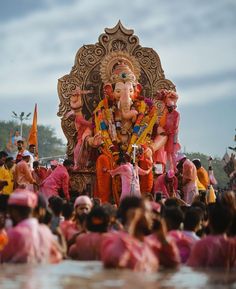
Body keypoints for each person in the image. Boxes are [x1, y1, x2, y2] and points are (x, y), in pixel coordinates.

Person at [0, 189, 63, 263]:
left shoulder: (14, 233)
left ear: (13, 211)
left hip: (19, 273)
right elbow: (58, 256)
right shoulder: (45, 231)